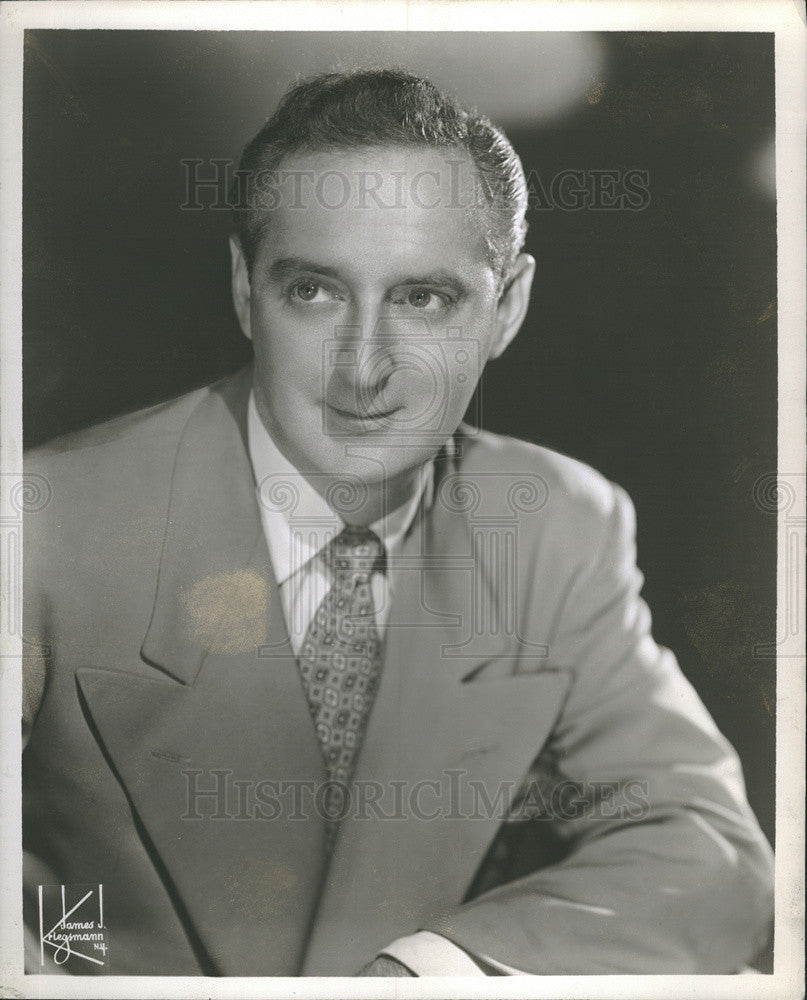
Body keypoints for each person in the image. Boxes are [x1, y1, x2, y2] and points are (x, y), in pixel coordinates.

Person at [22, 69, 773, 977]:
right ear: (242, 289)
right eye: (314, 292)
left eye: (424, 299)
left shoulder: (554, 527)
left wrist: (432, 973)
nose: (363, 369)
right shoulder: (41, 527)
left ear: (508, 309)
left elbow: (706, 852)